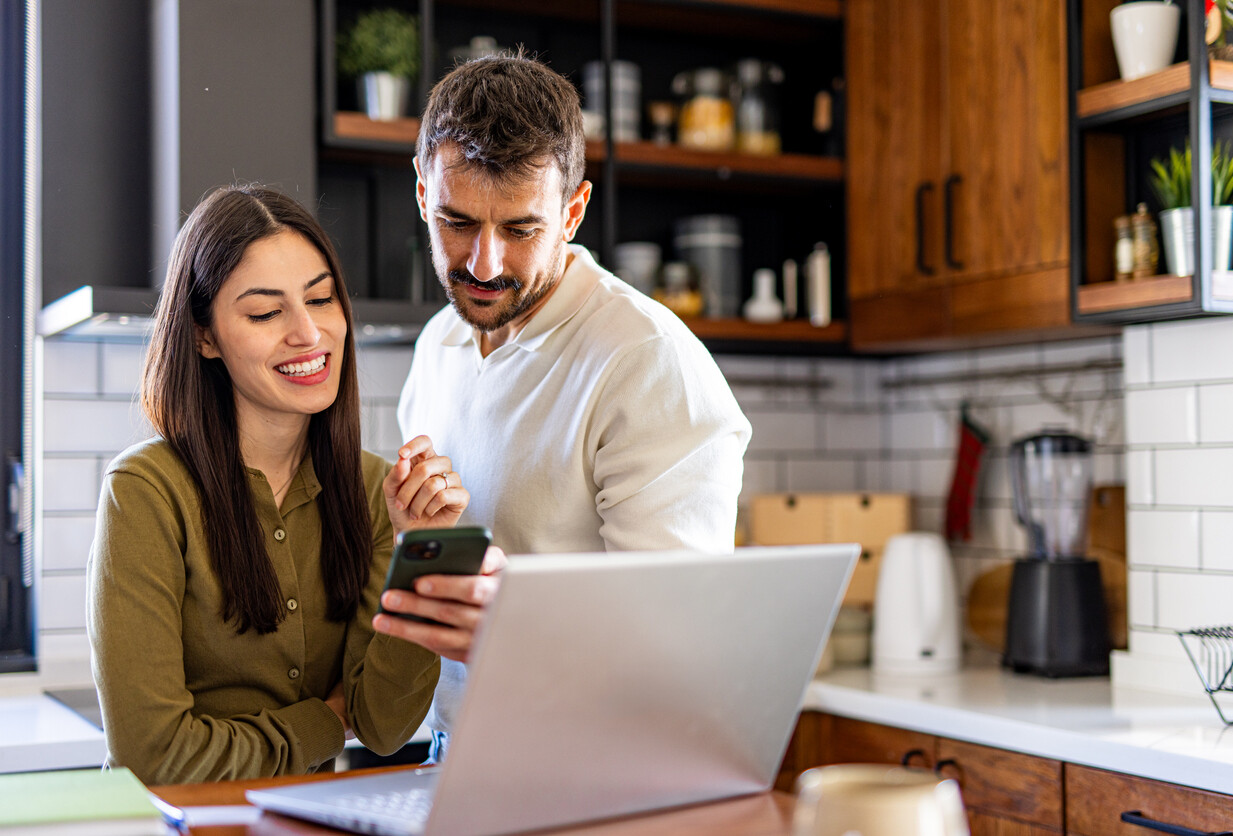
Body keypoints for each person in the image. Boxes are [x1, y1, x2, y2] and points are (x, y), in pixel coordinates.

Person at [373, 54, 752, 761]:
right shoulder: (439, 344)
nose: (483, 265)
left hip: (597, 760)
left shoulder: (644, 361)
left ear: (572, 212)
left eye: (520, 230)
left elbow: (683, 651)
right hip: (454, 747)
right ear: (423, 193)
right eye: (456, 221)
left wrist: (519, 628)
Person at [87, 184, 475, 784]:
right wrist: (322, 721)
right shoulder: (146, 491)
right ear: (204, 336)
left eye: (320, 300)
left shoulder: (377, 490)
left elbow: (383, 724)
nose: (308, 334)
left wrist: (417, 553)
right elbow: (153, 758)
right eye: (266, 312)